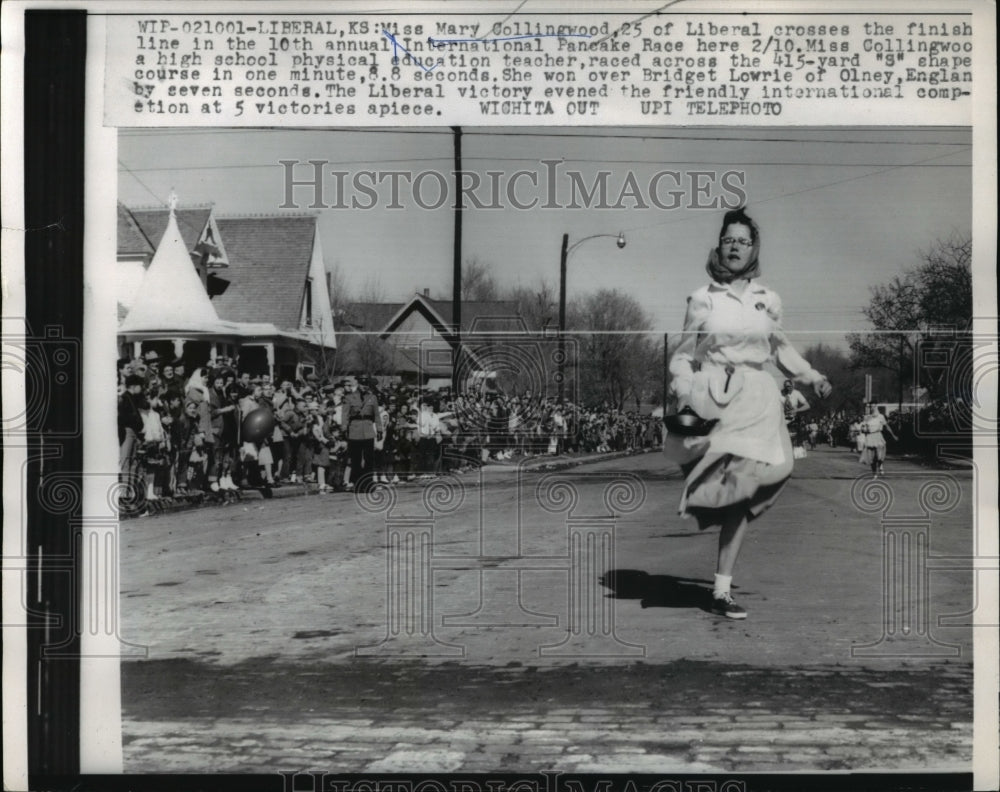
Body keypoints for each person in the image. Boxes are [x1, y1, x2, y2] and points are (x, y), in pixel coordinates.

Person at [666, 207, 832, 620]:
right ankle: (721, 584)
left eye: (743, 240)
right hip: (715, 395)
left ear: (754, 249)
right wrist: (684, 393)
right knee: (730, 487)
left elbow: (779, 347)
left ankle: (720, 569)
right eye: (728, 240)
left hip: (758, 396)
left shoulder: (767, 299)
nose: (735, 246)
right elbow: (684, 355)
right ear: (718, 247)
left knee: (772, 472)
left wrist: (811, 375)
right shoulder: (702, 298)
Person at [341, 377, 383, 491]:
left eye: (367, 384)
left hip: (368, 431)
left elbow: (377, 415)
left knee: (369, 460)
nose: (365, 387)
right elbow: (344, 415)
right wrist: (344, 429)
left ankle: (368, 484)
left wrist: (379, 429)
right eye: (362, 384)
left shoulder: (372, 398)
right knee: (356, 460)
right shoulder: (349, 397)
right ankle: (357, 484)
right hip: (354, 430)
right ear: (358, 384)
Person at [859, 403, 897, 477]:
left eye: (873, 406)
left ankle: (880, 465)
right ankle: (874, 473)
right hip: (869, 437)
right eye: (870, 406)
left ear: (876, 407)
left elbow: (886, 426)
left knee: (879, 457)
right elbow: (863, 428)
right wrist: (863, 430)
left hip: (878, 435)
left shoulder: (881, 416)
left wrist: (893, 435)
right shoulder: (866, 417)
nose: (872, 408)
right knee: (872, 457)